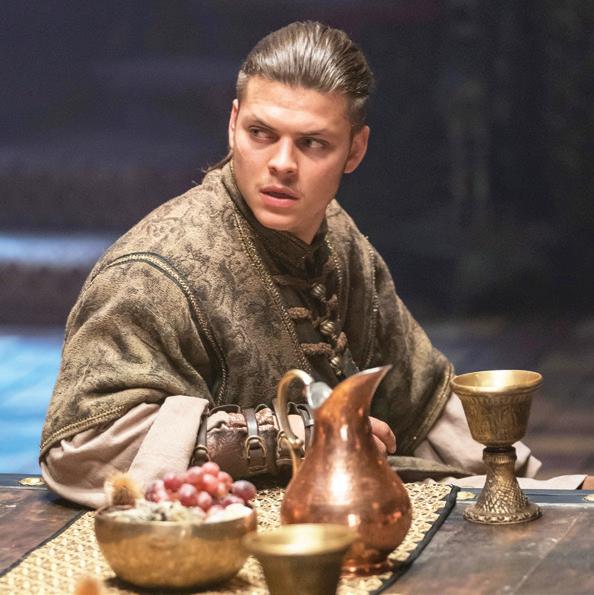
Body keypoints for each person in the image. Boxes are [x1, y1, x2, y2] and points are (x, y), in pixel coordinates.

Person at [39, 22, 588, 508]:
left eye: (313, 143)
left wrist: (546, 489)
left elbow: (420, 400)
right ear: (233, 123)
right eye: (261, 134)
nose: (281, 163)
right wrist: (294, 437)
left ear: (355, 150)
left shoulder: (337, 236)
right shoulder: (153, 271)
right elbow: (81, 444)